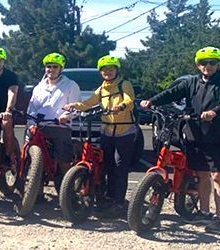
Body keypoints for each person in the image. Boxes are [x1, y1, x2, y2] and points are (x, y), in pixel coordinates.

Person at [140, 46, 220, 233]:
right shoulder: (191, 82)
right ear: (198, 65)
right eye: (203, 63)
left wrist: (214, 112)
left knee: (217, 176)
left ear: (217, 65)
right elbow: (171, 93)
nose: (207, 66)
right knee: (201, 175)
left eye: (212, 63)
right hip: (194, 134)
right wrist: (151, 101)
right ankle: (205, 212)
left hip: (216, 135)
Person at [64, 55, 136, 217]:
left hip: (124, 132)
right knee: (106, 165)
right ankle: (105, 198)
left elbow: (130, 100)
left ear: (117, 70)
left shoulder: (124, 84)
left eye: (111, 69)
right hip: (107, 131)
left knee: (119, 167)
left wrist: (121, 106)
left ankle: (118, 203)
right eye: (104, 70)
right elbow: (88, 103)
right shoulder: (102, 88)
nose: (108, 72)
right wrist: (73, 105)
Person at [27, 52, 81, 202]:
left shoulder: (70, 85)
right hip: (40, 125)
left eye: (55, 67)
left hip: (59, 125)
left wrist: (67, 116)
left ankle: (69, 192)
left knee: (64, 160)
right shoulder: (39, 87)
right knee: (36, 160)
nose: (51, 69)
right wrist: (31, 123)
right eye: (48, 66)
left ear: (61, 68)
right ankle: (36, 193)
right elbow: (32, 107)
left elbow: (75, 107)